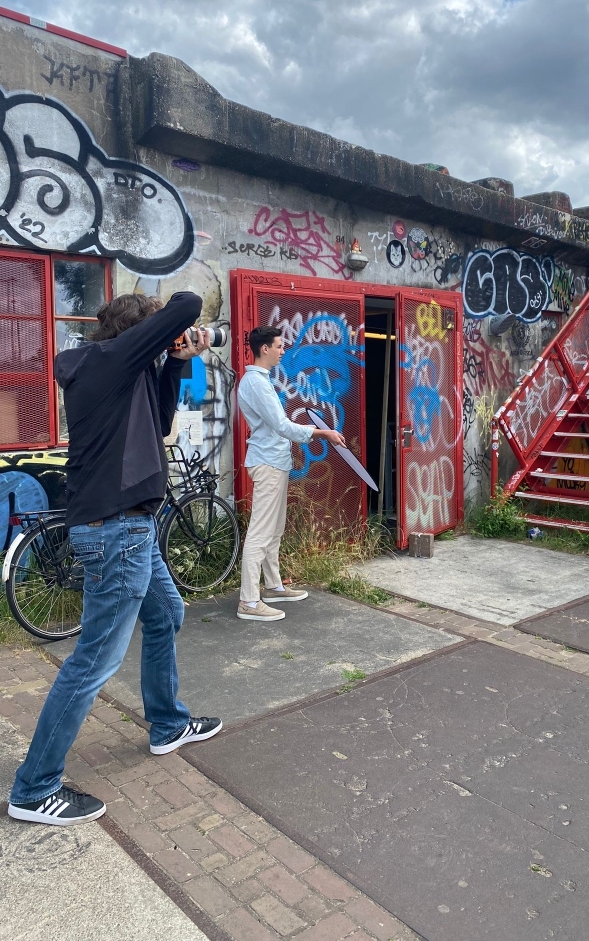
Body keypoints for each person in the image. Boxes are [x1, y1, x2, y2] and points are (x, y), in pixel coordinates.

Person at [8, 292, 223, 826]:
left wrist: (176, 362)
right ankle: (33, 789)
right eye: (156, 337)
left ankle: (167, 724)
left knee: (165, 614)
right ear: (136, 335)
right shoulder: (108, 362)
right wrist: (178, 330)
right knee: (94, 661)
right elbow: (189, 302)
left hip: (134, 526)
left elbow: (161, 422)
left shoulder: (129, 377)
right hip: (116, 531)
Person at [237, 325, 346, 622]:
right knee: (260, 533)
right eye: (279, 346)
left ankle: (272, 586)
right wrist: (324, 433)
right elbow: (282, 426)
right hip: (268, 462)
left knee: (274, 530)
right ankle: (248, 600)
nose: (283, 350)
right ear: (265, 349)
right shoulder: (257, 383)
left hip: (276, 461)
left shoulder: (260, 380)